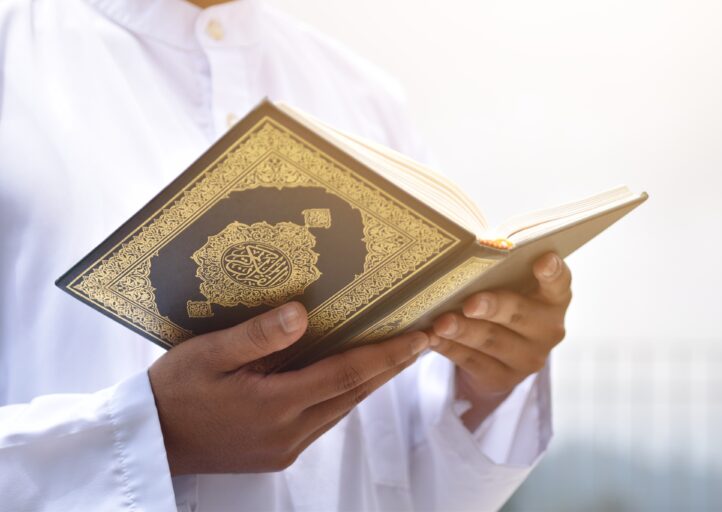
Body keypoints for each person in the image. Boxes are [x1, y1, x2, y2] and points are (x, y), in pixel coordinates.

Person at [0, 0, 572, 510]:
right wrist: (148, 437)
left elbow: (404, 478)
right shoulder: (15, 53)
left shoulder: (366, 98)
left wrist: (488, 379)